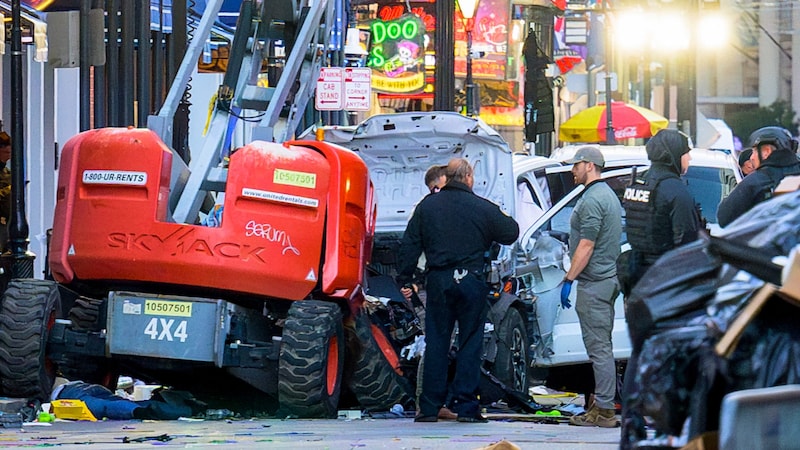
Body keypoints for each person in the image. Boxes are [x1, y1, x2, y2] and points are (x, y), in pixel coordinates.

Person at [397, 157, 519, 423]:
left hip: (439, 281)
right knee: (470, 343)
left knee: (437, 343)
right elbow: (511, 232)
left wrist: (405, 278)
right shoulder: (481, 207)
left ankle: (429, 408)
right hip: (471, 281)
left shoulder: (427, 207)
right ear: (468, 177)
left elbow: (409, 244)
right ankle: (466, 408)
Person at [558, 146, 622, 428]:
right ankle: (602, 405)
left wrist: (569, 279)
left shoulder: (594, 199)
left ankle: (605, 411)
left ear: (589, 166)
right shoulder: (604, 194)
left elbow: (587, 244)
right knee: (602, 346)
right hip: (604, 280)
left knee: (599, 349)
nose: (572, 170)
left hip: (595, 282)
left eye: (576, 165)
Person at [621, 129, 702, 292]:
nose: (690, 158)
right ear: (675, 154)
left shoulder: (640, 182)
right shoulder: (675, 190)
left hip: (637, 275)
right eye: (686, 153)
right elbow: (688, 241)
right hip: (667, 280)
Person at [717, 126, 800, 227]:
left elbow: (724, 218)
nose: (751, 157)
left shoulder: (755, 182)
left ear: (766, 151)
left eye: (755, 151)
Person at [0, 132, 11, 251]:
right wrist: (8, 190)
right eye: (6, 153)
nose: (9, 156)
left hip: (6, 220)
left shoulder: (7, 172)